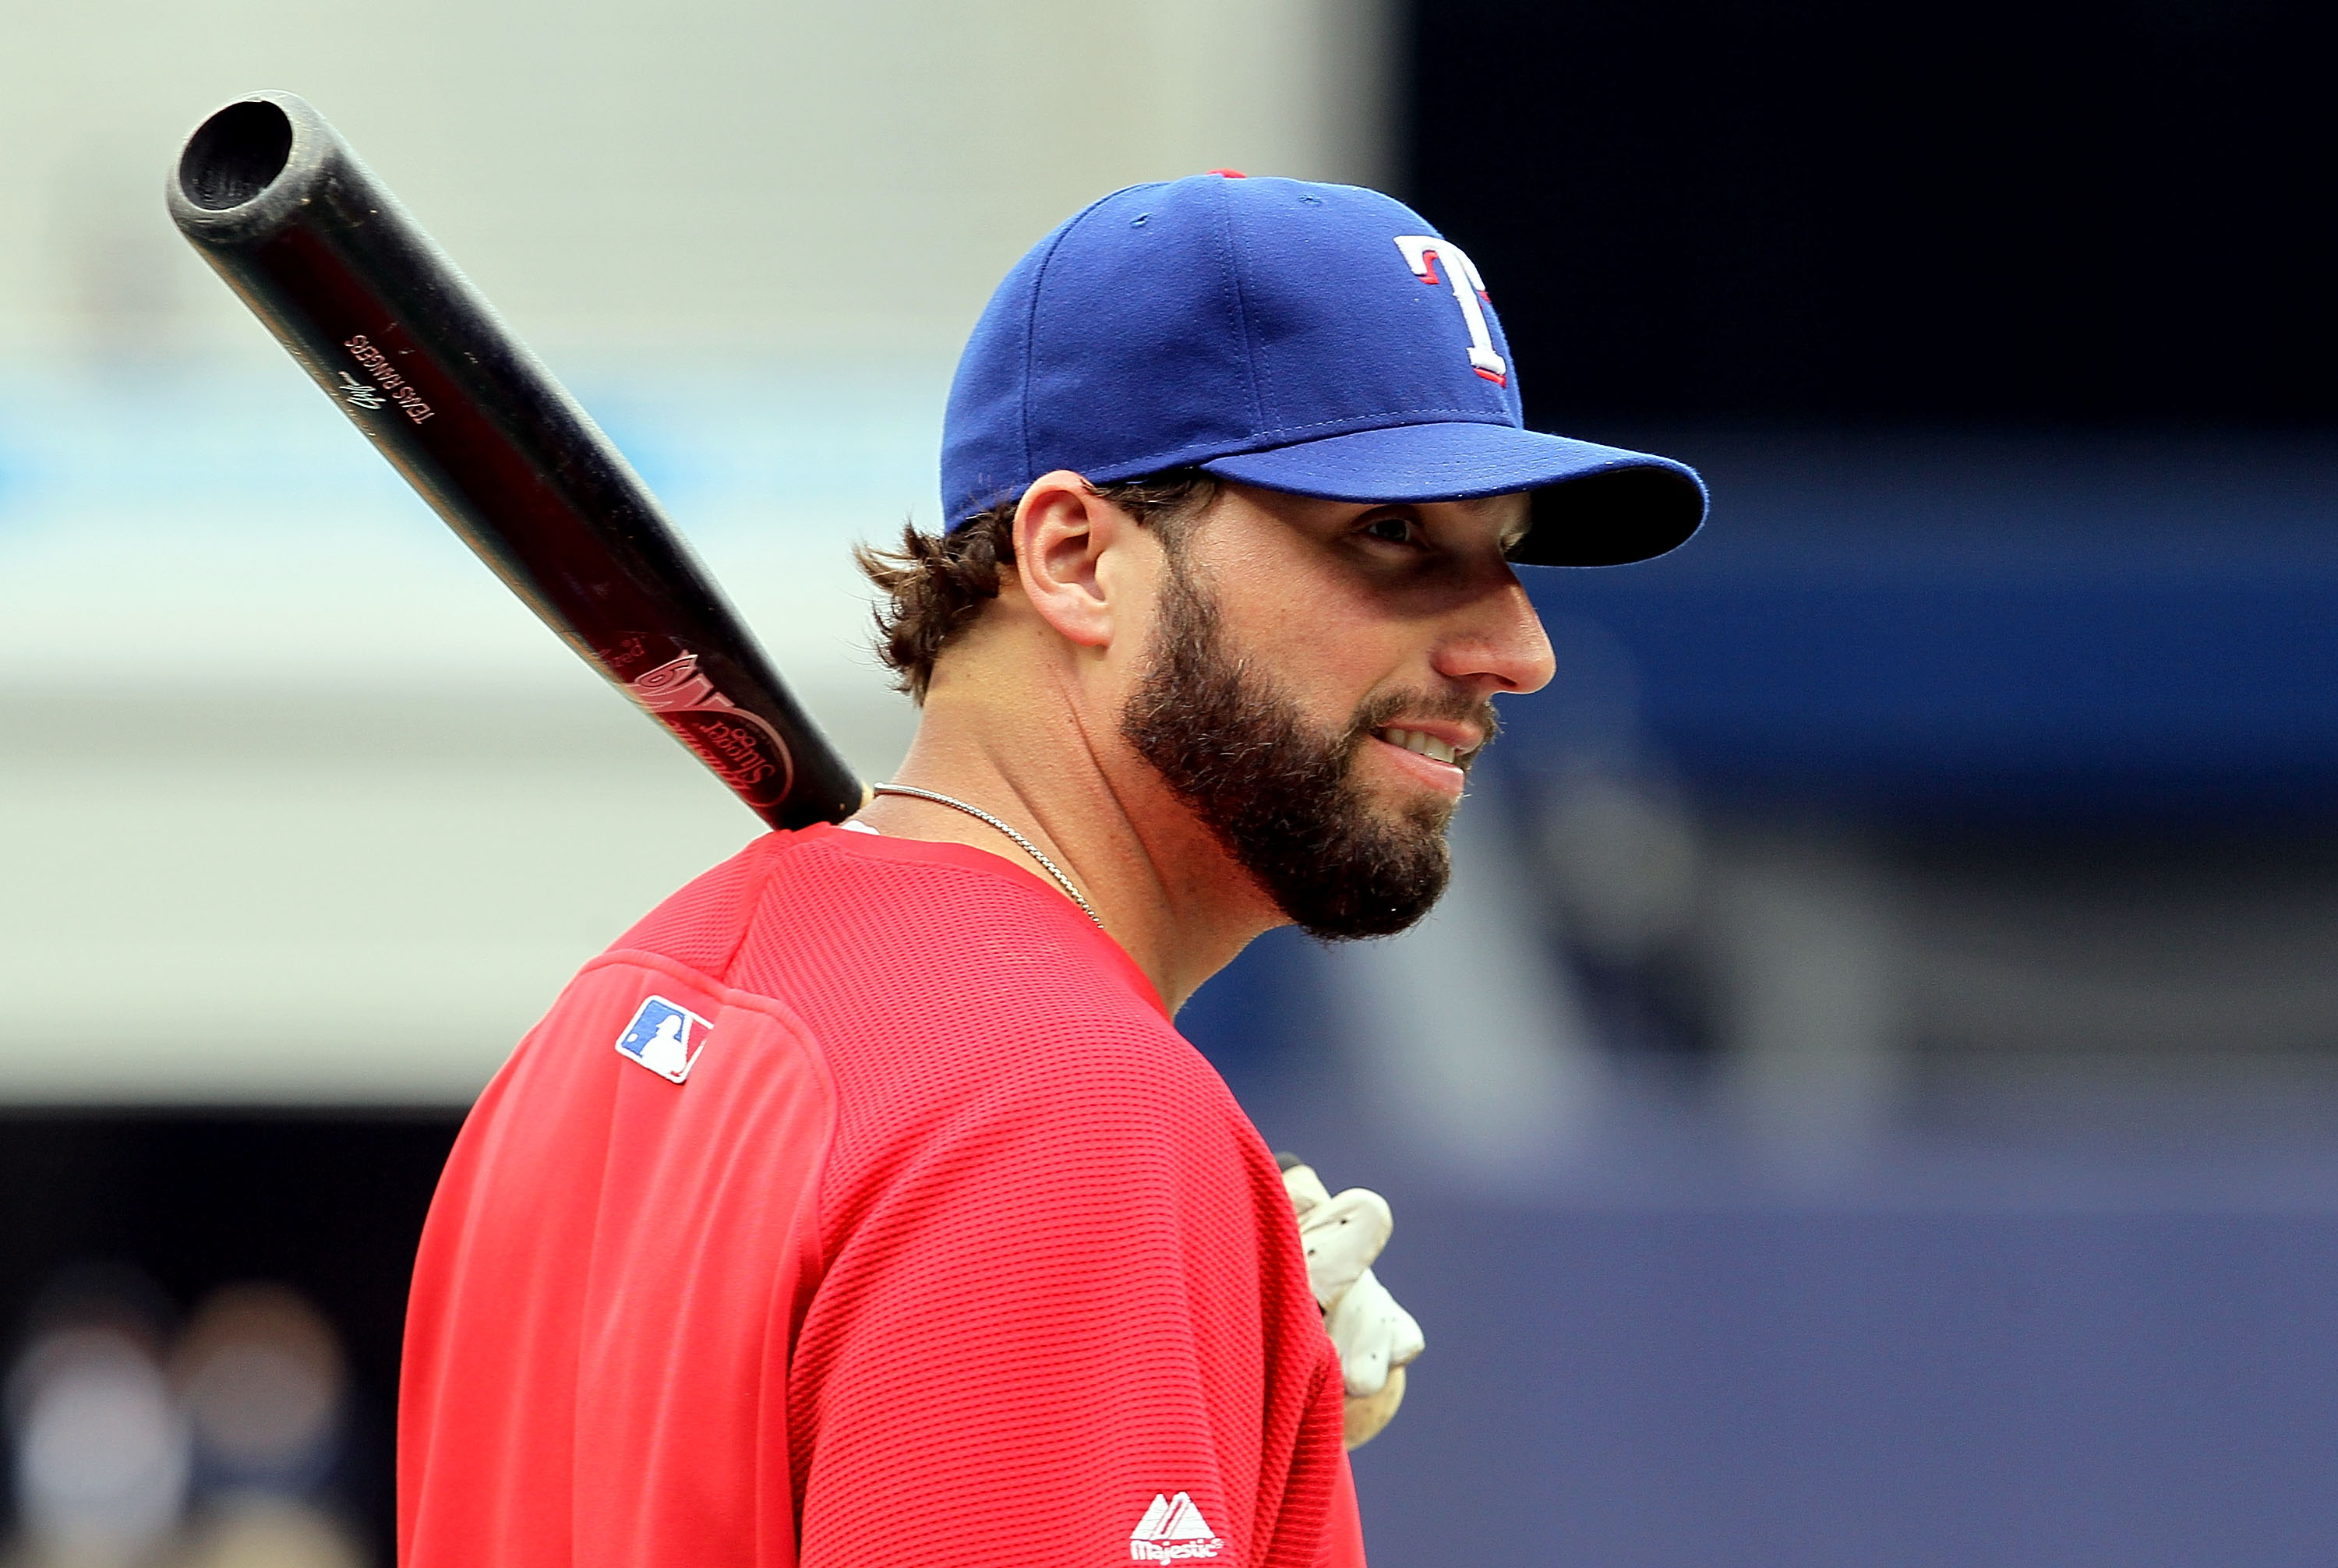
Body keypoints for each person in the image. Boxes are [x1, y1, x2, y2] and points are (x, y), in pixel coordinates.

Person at [397, 171, 1704, 1568]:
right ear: (1077, 555)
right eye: (1390, 537)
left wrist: (1233, 1389)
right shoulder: (1071, 1117)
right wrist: (1116, 1254)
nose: (1519, 649)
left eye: (1500, 556)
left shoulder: (617, 1012)